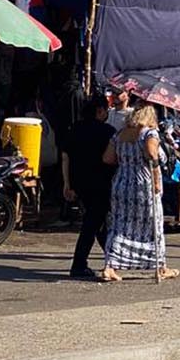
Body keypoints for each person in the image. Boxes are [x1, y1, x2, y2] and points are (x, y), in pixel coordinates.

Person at [100, 106, 176, 282]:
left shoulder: (119, 135)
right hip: (143, 184)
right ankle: (160, 266)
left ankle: (110, 266)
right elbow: (151, 153)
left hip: (121, 184)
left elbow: (108, 158)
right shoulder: (150, 134)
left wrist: (127, 159)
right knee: (153, 224)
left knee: (119, 224)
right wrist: (156, 176)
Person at [63, 96, 116, 279]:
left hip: (80, 183)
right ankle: (79, 264)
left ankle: (112, 259)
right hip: (101, 183)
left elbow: (65, 157)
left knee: (97, 223)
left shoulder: (75, 129)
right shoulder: (108, 132)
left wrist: (67, 184)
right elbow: (112, 158)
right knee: (92, 224)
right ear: (100, 111)